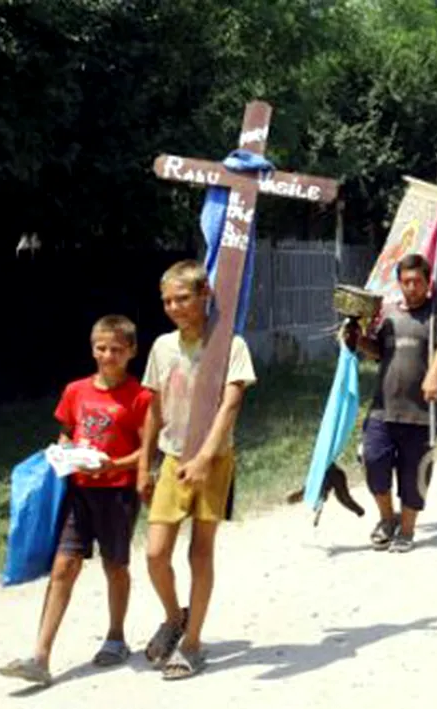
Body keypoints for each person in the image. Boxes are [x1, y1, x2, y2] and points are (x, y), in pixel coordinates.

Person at [0, 316, 152, 686]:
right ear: (92, 348)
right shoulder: (75, 390)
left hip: (117, 494)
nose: (108, 355)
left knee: (115, 566)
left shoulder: (141, 397)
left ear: (131, 351)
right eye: (101, 347)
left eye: (116, 349)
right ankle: (40, 656)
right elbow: (66, 433)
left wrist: (114, 464)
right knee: (64, 566)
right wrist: (66, 452)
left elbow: (149, 451)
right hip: (79, 492)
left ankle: (116, 638)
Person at [139, 260, 257, 680]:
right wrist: (144, 464)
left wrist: (206, 456)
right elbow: (152, 410)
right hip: (172, 458)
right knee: (155, 554)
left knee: (199, 551)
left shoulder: (230, 345)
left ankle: (192, 644)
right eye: (167, 300)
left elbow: (231, 403)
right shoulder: (161, 347)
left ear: (205, 295)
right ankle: (175, 617)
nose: (174, 307)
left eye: (183, 298)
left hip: (214, 460)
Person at [350, 253, 437, 551]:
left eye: (417, 281)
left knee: (414, 473)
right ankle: (387, 519)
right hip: (382, 409)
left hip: (422, 413)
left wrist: (435, 375)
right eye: (406, 281)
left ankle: (407, 531)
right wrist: (357, 339)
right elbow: (378, 352)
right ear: (398, 283)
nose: (411, 287)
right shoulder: (388, 315)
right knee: (373, 461)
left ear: (428, 283)